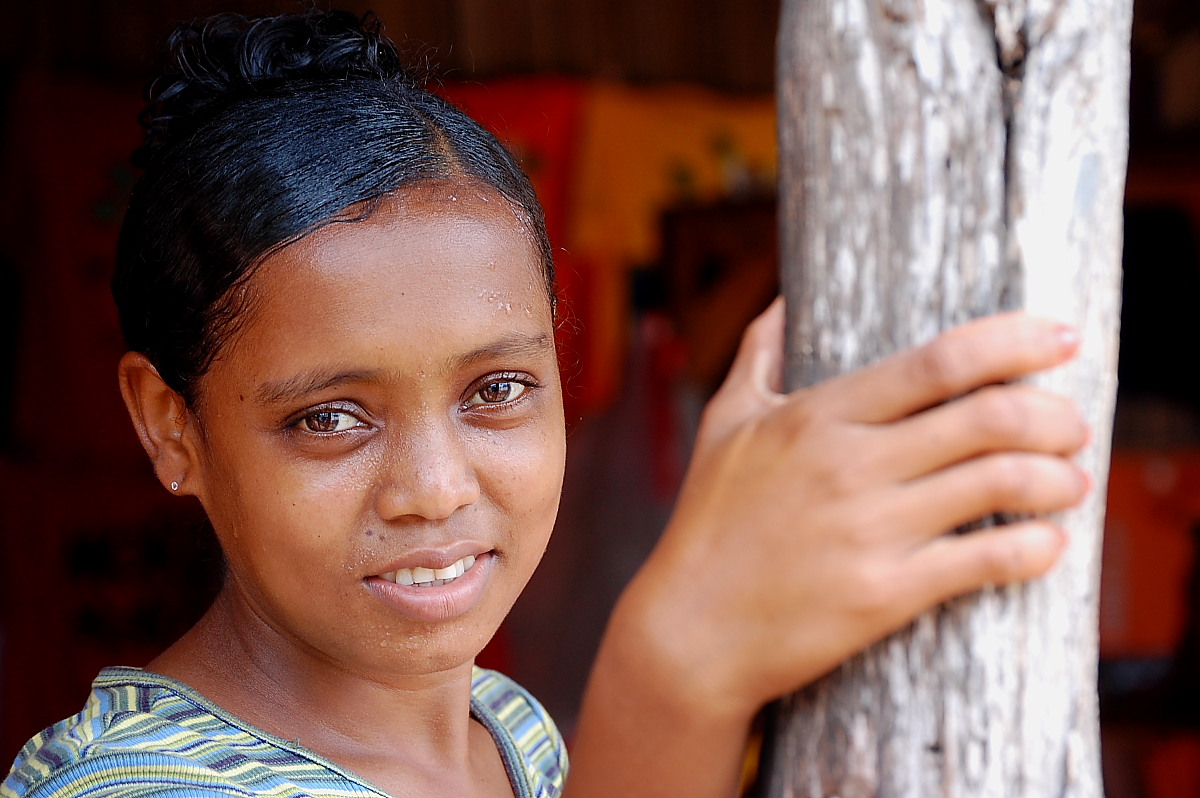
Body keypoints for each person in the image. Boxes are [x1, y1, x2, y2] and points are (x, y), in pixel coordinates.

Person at [2, 9, 1090, 798]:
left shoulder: (505, 732)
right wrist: (672, 672)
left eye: (497, 389)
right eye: (329, 417)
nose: (434, 490)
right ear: (167, 424)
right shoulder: (136, 789)